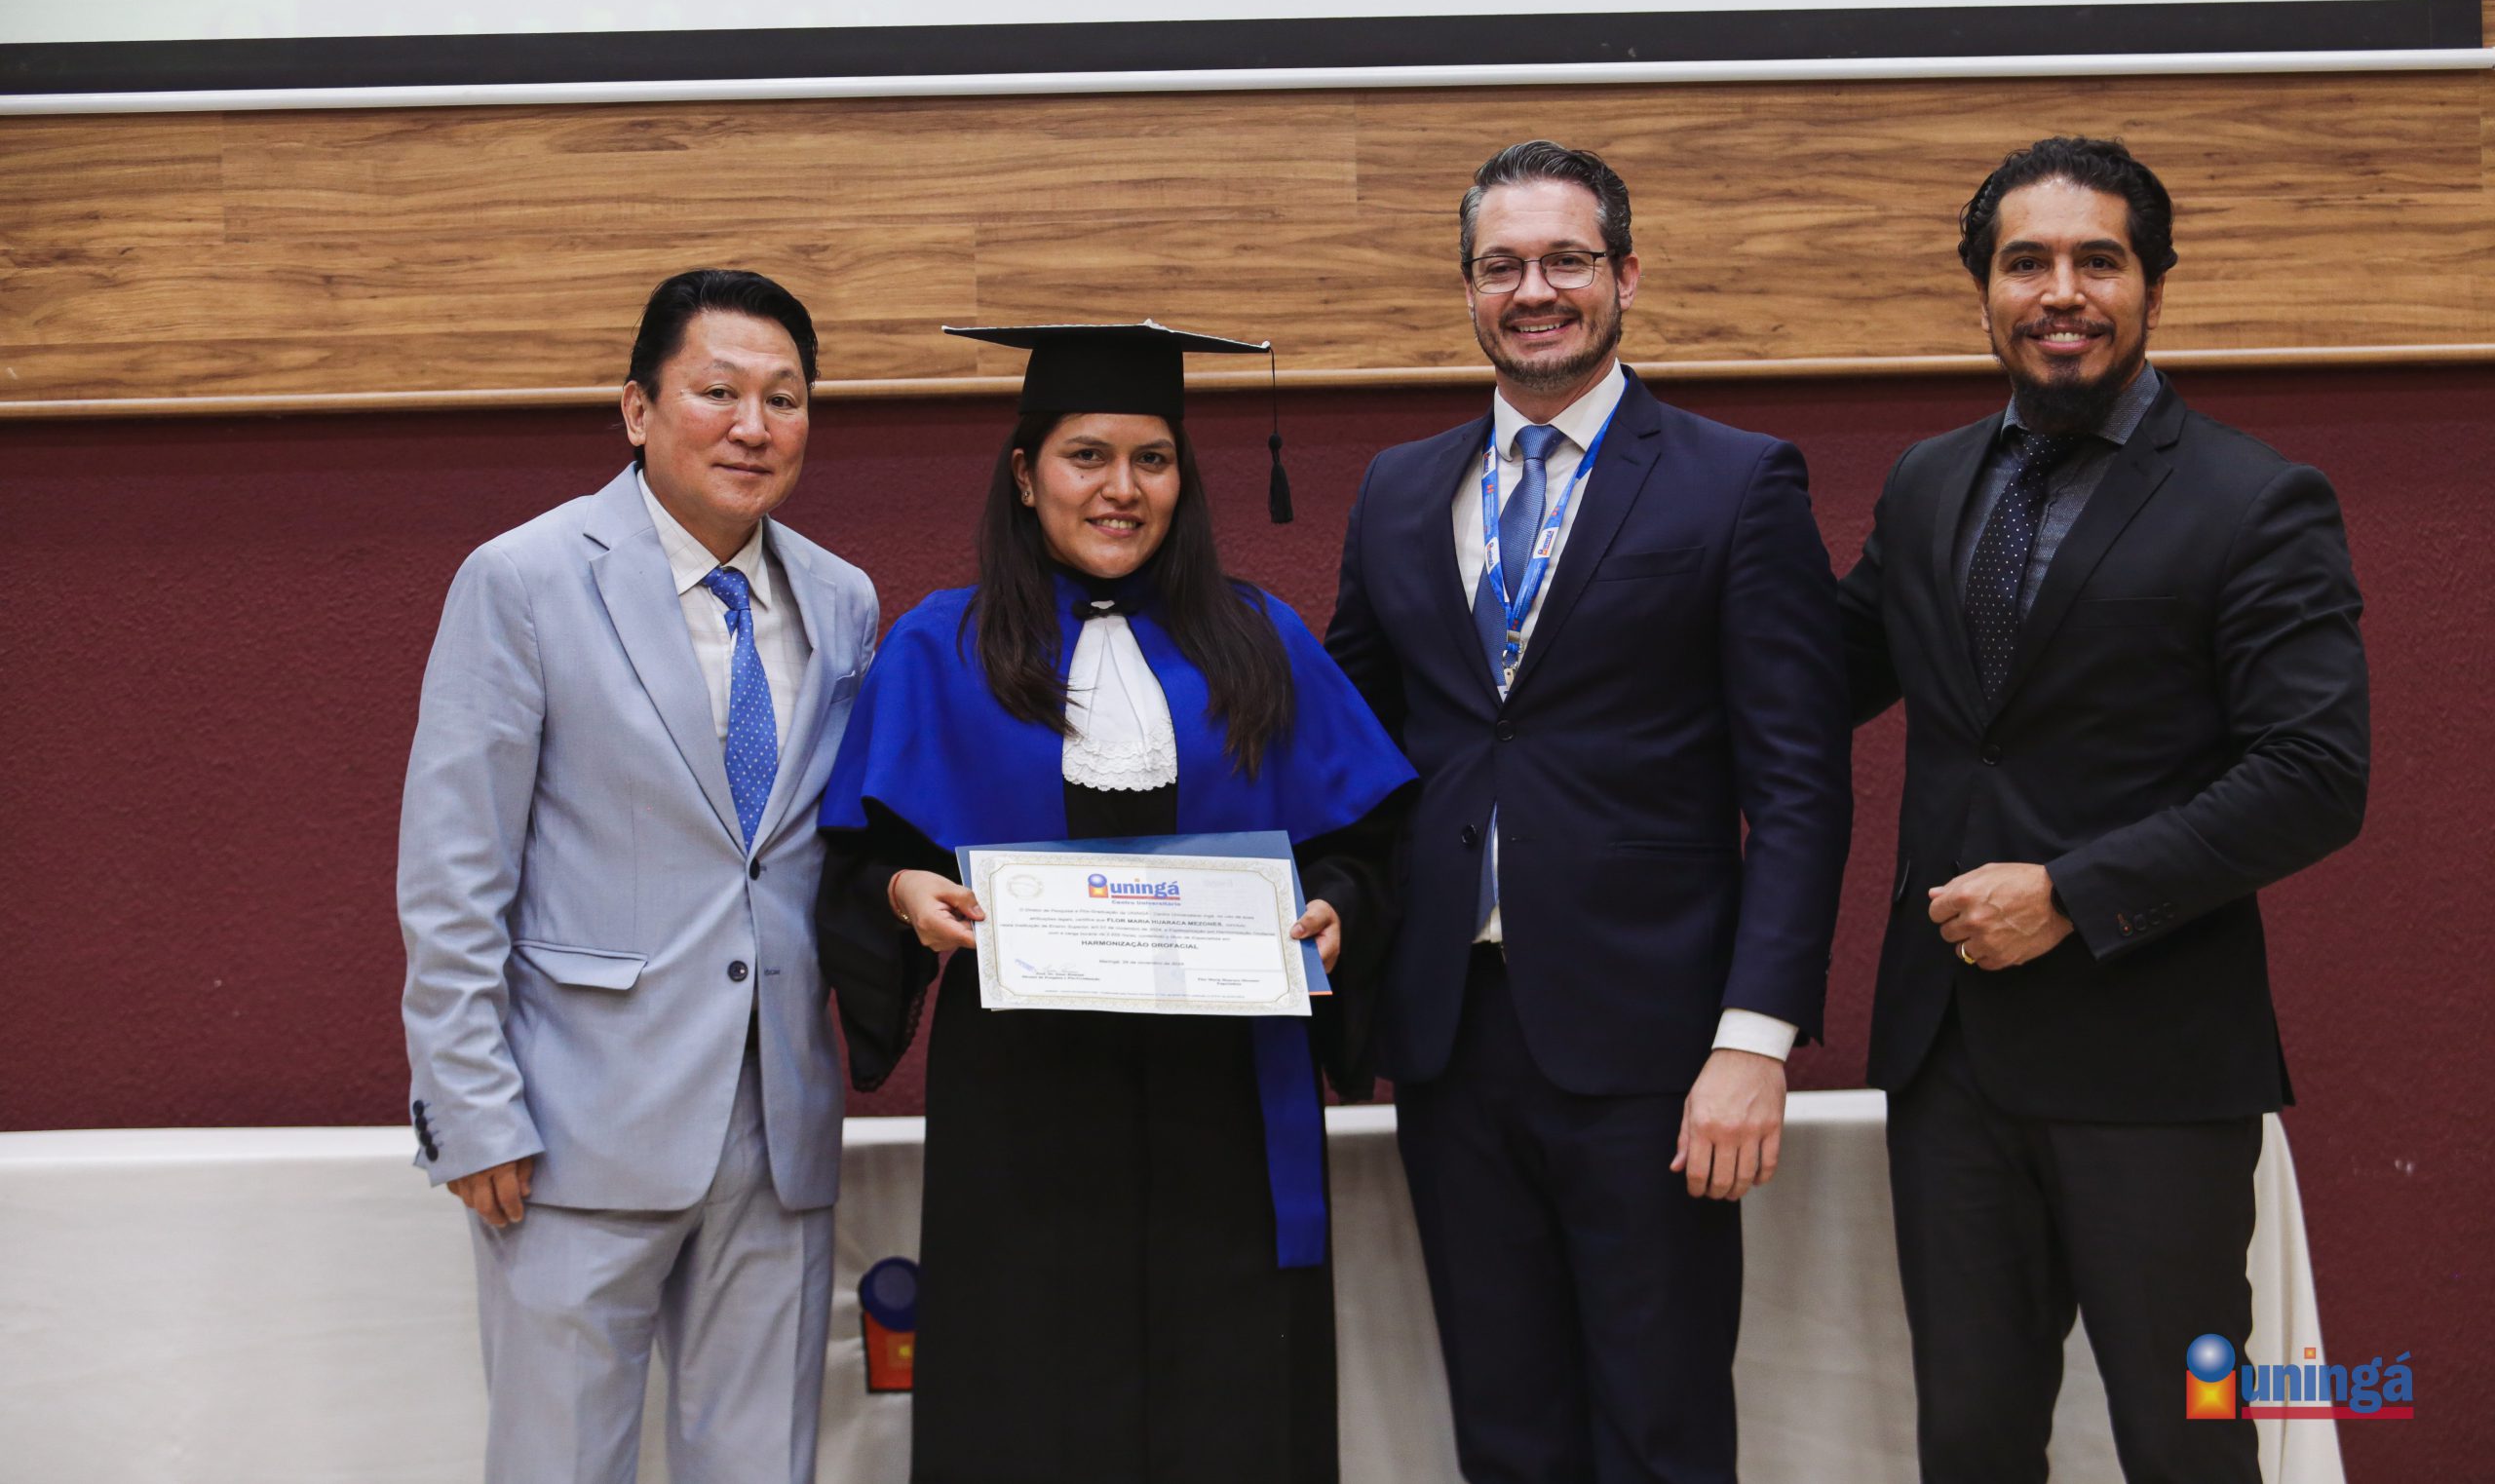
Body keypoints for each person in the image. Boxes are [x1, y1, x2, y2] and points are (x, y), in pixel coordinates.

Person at [1837, 136, 2369, 1484]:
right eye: (2027, 263)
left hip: (2155, 1069)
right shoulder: (1925, 482)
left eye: (2098, 261)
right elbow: (1814, 677)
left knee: (2186, 1445)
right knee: (1969, 1445)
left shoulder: (2256, 500)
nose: (2061, 292)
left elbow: (2315, 773)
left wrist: (2073, 892)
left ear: (2153, 287)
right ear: (1983, 291)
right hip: (1950, 1064)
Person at [1324, 140, 1853, 1483]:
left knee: (1658, 1426)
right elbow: (1349, 750)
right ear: (1467, 289)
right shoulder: (1398, 489)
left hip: (1655, 1047)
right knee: (1505, 1429)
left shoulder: (1737, 480)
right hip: (1450, 1034)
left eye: (1565, 259)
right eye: (1501, 265)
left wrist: (1754, 1039)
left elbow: (1799, 784)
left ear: (1625, 273)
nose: (1534, 290)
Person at [814, 321, 1416, 1484]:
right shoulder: (940, 648)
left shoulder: (1259, 641)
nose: (1120, 489)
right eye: (1086, 456)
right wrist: (902, 892)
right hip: (1024, 1103)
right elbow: (857, 858)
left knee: (1227, 1399)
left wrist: (1340, 909)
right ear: (1024, 473)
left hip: (1224, 1101)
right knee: (1032, 1394)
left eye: (1152, 459)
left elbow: (1362, 841)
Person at [398, 269, 879, 1484]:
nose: (753, 425)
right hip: (569, 1128)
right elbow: (454, 872)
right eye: (718, 392)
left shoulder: (842, 599)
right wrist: (470, 1107)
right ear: (636, 408)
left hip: (776, 1125)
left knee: (763, 1465)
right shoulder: (522, 579)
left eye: (784, 398)